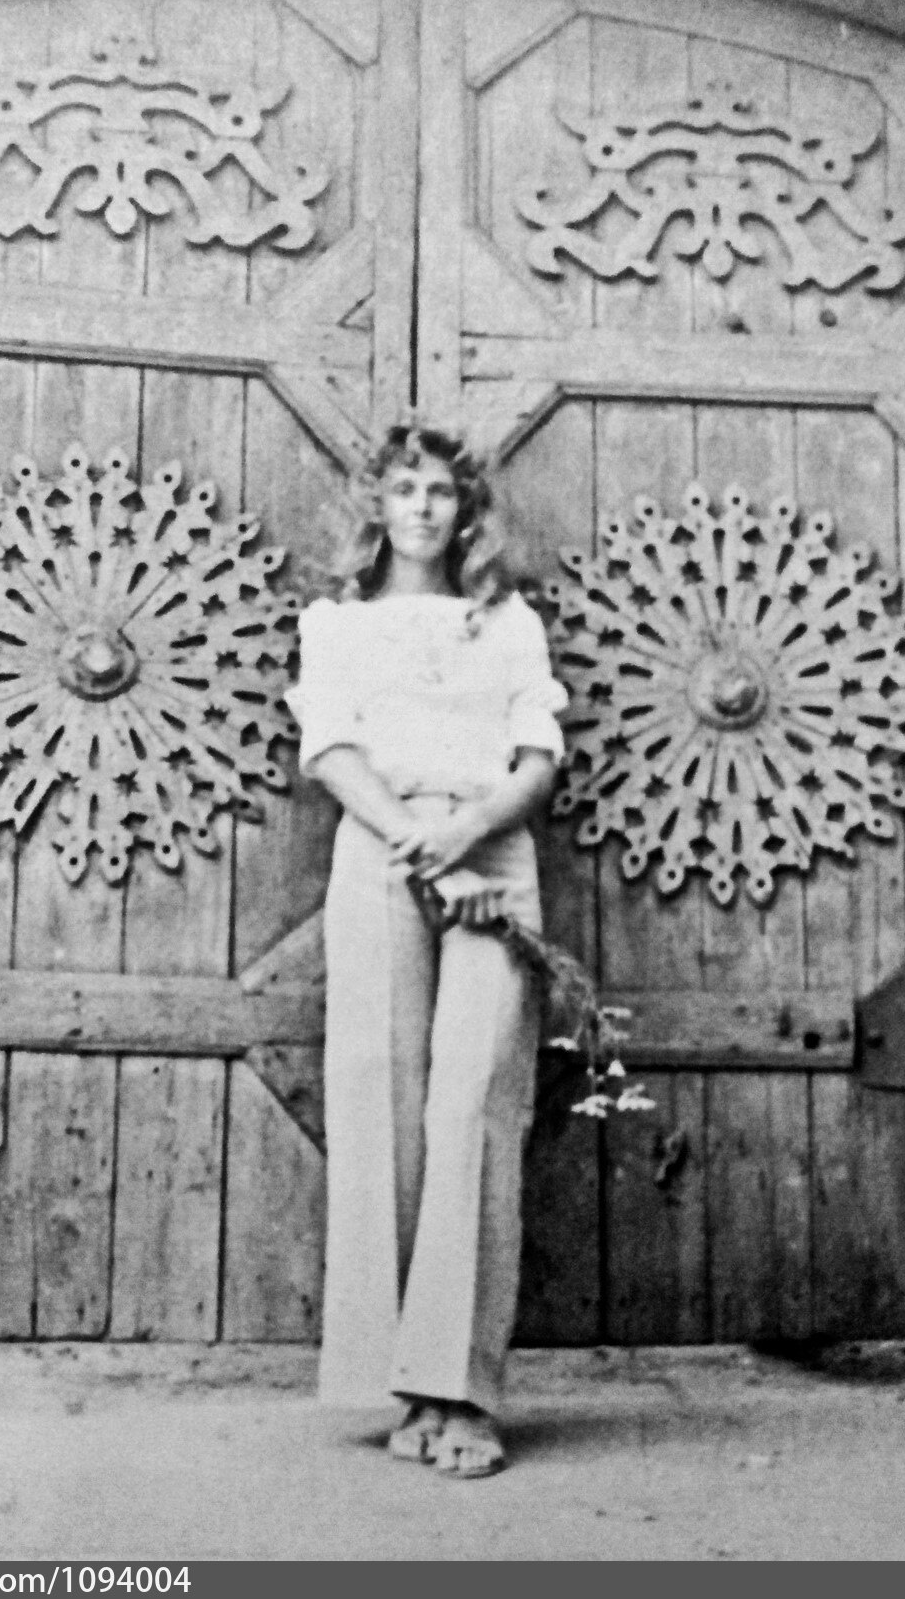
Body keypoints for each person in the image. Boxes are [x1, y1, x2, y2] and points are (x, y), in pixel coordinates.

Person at [284, 421, 568, 1479]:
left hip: (490, 851)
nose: (421, 508)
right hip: (381, 850)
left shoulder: (507, 623)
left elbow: (538, 753)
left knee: (476, 1105)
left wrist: (469, 831)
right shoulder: (337, 624)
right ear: (377, 506)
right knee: (382, 1102)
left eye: (440, 492)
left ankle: (462, 1392)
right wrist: (417, 843)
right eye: (403, 489)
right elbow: (330, 748)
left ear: (465, 511)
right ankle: (399, 1387)